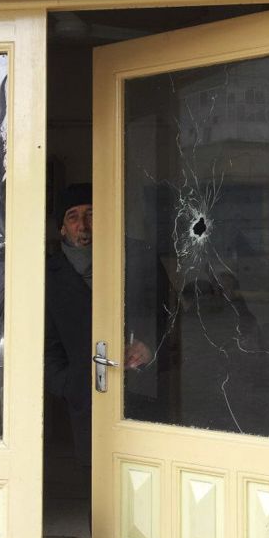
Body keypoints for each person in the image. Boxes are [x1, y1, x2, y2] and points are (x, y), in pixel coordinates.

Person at [44, 183, 152, 467]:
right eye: (73, 216)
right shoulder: (47, 275)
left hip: (142, 392)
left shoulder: (135, 259)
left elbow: (166, 316)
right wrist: (68, 384)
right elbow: (42, 345)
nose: (84, 225)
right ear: (62, 229)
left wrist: (150, 348)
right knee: (97, 478)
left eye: (91, 214)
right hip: (84, 397)